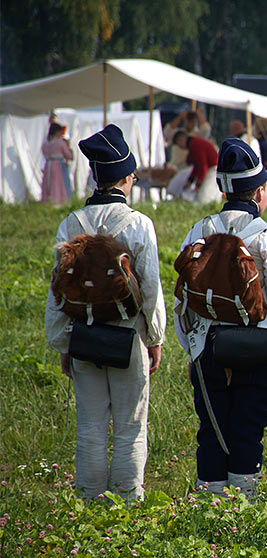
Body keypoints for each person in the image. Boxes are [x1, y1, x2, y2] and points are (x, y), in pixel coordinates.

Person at [44, 124, 166, 501]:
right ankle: (127, 505)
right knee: (131, 427)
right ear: (126, 178)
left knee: (91, 427)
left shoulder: (70, 224)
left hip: (84, 338)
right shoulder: (139, 224)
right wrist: (155, 338)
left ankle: (87, 504)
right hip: (129, 337)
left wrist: (64, 342)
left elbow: (60, 292)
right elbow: (150, 289)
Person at [174, 138, 267, 499]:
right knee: (248, 430)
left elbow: (184, 299)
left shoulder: (199, 231)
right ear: (260, 191)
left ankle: (209, 510)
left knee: (211, 430)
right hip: (258, 348)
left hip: (208, 347)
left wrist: (193, 348)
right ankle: (243, 510)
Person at [173, 131, 220, 203]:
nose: (180, 147)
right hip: (212, 169)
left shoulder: (195, 145)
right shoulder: (194, 143)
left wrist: (198, 183)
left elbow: (202, 165)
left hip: (213, 170)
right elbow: (197, 166)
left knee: (205, 198)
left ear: (180, 141)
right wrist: (190, 180)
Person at [41, 122, 74, 203]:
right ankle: (59, 201)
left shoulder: (45, 144)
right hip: (58, 166)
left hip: (48, 164)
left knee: (48, 184)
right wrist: (68, 146)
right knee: (58, 185)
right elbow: (69, 156)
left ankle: (48, 201)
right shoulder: (60, 143)